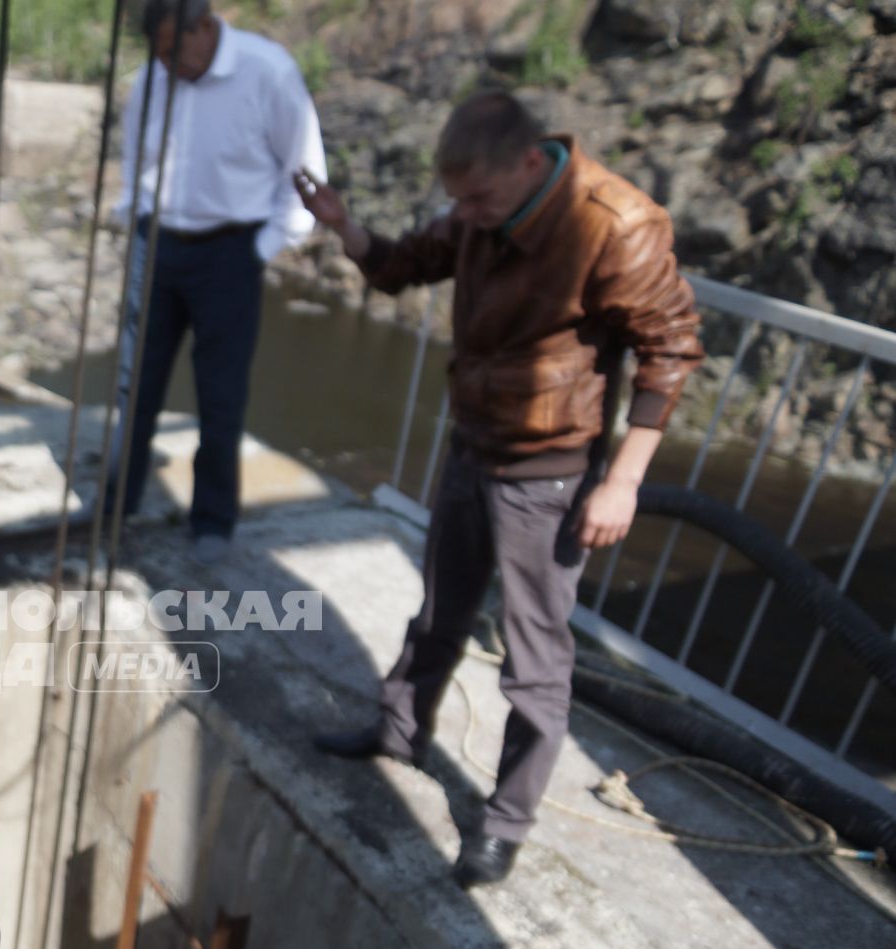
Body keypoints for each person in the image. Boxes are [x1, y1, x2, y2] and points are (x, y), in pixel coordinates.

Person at [294, 91, 703, 887]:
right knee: (440, 608)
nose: (467, 215)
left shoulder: (615, 224)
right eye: (458, 201)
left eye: (478, 198)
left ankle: (505, 822)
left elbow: (671, 354)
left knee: (535, 657)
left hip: (549, 471)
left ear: (529, 161)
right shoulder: (482, 211)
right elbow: (402, 266)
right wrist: (343, 225)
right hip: (473, 445)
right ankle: (399, 730)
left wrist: (621, 481)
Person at [104, 0, 327, 562]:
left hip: (229, 250)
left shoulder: (267, 71)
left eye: (175, 51)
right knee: (137, 381)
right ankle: (117, 502)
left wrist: (260, 249)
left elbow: (304, 173)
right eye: (159, 55)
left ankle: (212, 520)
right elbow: (135, 157)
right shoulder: (154, 75)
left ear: (206, 26)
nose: (168, 66)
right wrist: (134, 217)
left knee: (220, 393)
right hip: (157, 245)